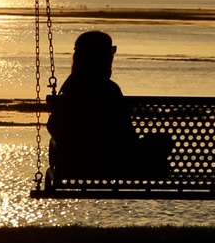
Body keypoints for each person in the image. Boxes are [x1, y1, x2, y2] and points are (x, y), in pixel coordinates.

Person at [47, 31, 170, 177]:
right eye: (111, 50)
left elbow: (55, 127)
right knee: (162, 142)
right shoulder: (109, 89)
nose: (113, 55)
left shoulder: (69, 87)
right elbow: (125, 134)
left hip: (75, 166)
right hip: (114, 163)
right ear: (103, 56)